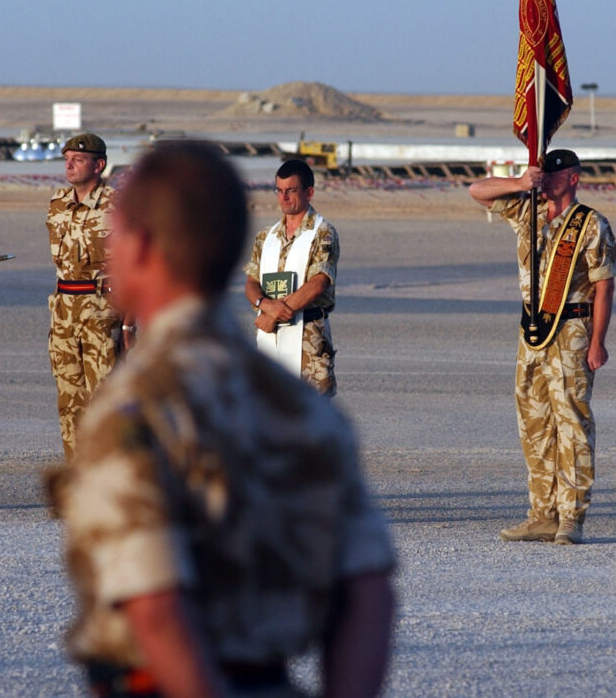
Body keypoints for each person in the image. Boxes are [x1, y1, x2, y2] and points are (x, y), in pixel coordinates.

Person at [46, 143, 395, 698]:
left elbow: (155, 608)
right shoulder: (301, 406)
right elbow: (368, 592)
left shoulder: (136, 409)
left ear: (142, 246)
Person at [468, 150, 616, 545]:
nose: (545, 180)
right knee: (534, 423)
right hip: (532, 332)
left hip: (572, 330)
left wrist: (598, 342)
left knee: (572, 423)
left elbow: (604, 286)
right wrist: (520, 183)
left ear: (573, 179)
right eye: (542, 174)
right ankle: (542, 515)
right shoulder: (528, 211)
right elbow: (477, 191)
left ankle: (571, 517)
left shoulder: (591, 224)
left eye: (553, 175)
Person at [47, 132, 124, 460]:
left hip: (102, 312)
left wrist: (130, 324)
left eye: (78, 160)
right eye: (67, 159)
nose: (69, 165)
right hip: (64, 311)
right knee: (70, 401)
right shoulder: (58, 203)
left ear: (99, 164)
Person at [244, 160, 340, 397]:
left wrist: (274, 313)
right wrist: (265, 305)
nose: (284, 197)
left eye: (291, 190)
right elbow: (252, 282)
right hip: (270, 338)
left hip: (309, 339)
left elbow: (318, 282)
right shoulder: (265, 237)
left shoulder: (322, 232)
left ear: (309, 192)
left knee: (313, 414)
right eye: (279, 190)